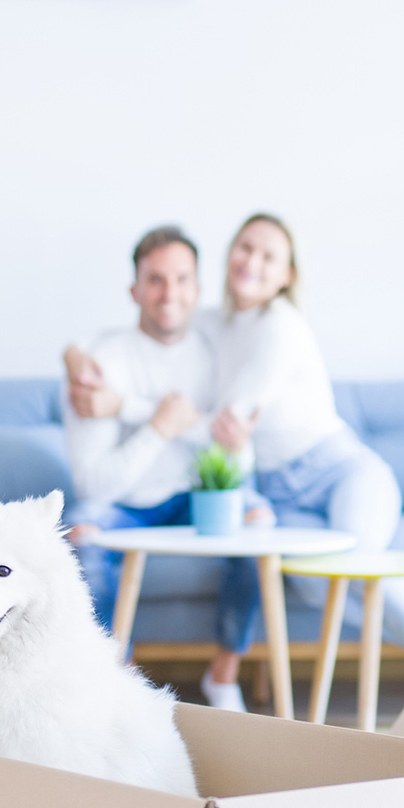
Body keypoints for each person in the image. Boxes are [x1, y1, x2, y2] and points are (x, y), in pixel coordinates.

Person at [201, 213, 404, 678]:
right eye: (245, 247)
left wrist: (183, 420)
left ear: (287, 276)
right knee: (316, 586)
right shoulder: (217, 326)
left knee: (359, 563)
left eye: (268, 255)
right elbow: (167, 336)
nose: (252, 261)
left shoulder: (282, 324)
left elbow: (235, 412)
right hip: (280, 493)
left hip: (343, 471)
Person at [62, 225, 268, 711]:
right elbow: (93, 483)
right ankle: (120, 680)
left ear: (198, 289)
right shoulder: (99, 366)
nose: (169, 293)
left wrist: (136, 410)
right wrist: (157, 426)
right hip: (124, 504)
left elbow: (235, 454)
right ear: (134, 289)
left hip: (197, 497)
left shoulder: (220, 351)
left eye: (181, 280)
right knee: (82, 533)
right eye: (155, 280)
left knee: (259, 522)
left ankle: (224, 675)